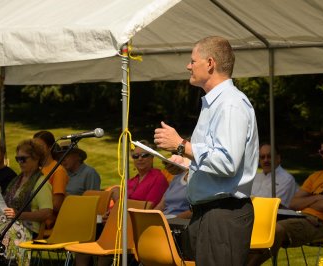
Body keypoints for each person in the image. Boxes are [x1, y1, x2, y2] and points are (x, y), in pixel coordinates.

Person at [154, 36, 259, 265]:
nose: (188, 66)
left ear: (210, 63)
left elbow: (227, 163)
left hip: (223, 215)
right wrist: (184, 161)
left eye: (193, 61)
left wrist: (182, 145)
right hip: (208, 213)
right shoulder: (215, 103)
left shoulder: (230, 104)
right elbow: (213, 155)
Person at [247, 134, 323, 265]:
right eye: (322, 152)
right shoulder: (316, 176)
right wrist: (318, 198)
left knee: (276, 230)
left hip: (321, 223)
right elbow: (294, 203)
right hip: (302, 218)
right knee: (253, 229)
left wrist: (307, 202)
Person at [0, 139, 53, 265]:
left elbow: (47, 213)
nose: (19, 162)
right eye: (17, 158)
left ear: (36, 159)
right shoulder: (17, 181)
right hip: (8, 223)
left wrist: (17, 214)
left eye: (23, 159)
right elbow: (6, 208)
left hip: (28, 229)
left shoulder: (41, 183)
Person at [111, 140, 169, 209]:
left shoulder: (158, 178)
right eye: (136, 156)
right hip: (124, 216)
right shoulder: (132, 181)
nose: (140, 159)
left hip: (141, 217)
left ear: (152, 157)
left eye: (144, 155)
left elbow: (147, 207)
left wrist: (121, 206)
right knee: (115, 190)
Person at [33, 130, 68, 228]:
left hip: (46, 223)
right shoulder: (36, 169)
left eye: (40, 146)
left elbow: (57, 205)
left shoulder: (58, 170)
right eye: (34, 147)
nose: (36, 150)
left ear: (50, 147)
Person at [251, 143, 298, 208]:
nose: (266, 160)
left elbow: (275, 205)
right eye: (262, 157)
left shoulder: (286, 179)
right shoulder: (255, 177)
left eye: (269, 156)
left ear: (278, 158)